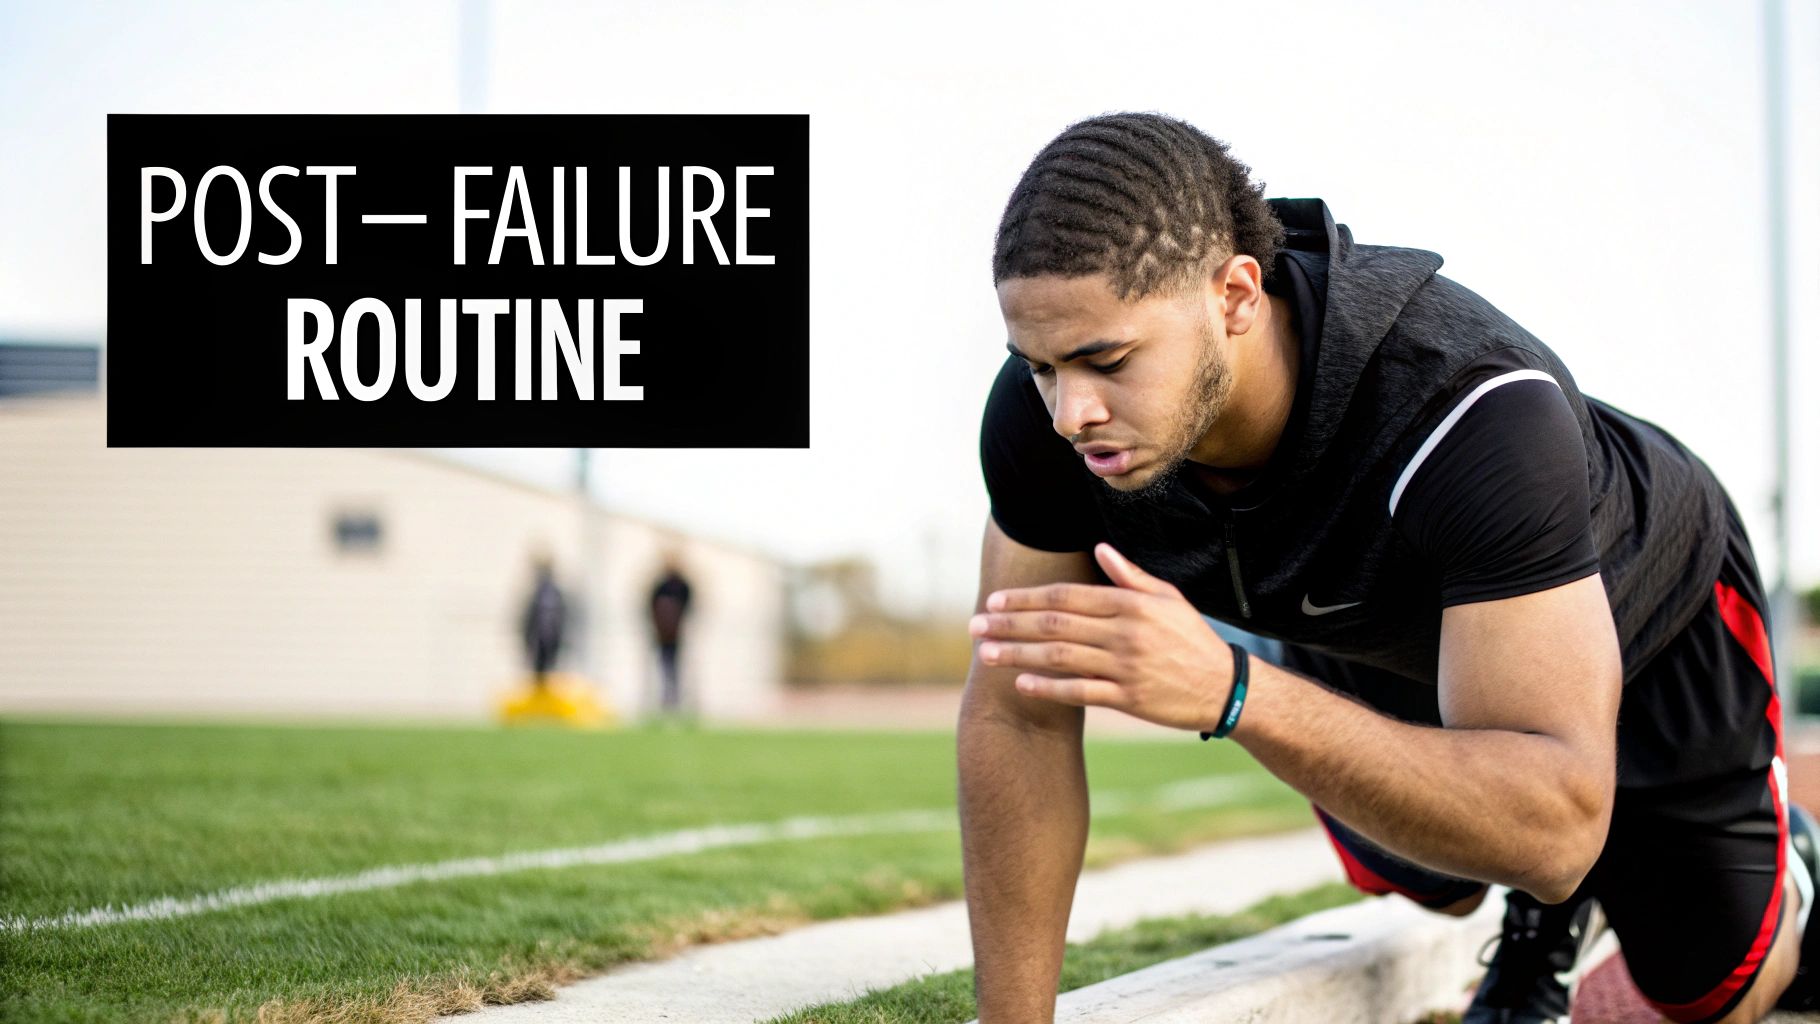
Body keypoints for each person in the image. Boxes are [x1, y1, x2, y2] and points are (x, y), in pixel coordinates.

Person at [962, 112, 1818, 1024]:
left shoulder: (1472, 412)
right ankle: (1540, 903)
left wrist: (1233, 689)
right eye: (1040, 367)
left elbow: (1556, 832)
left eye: (1107, 360)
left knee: (1707, 989)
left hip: (1650, 608)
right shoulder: (1047, 421)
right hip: (1378, 626)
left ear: (1236, 295)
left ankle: (1795, 872)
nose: (1070, 412)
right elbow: (1017, 714)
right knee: (1433, 871)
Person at [648, 557, 694, 714]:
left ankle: (678, 700)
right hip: (662, 635)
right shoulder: (661, 586)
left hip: (677, 635)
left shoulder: (682, 586)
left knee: (677, 668)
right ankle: (664, 700)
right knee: (663, 667)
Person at [521, 554, 568, 691]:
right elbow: (529, 619)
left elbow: (562, 617)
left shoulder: (555, 593)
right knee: (539, 667)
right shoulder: (538, 593)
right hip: (539, 639)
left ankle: (549, 691)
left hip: (552, 637)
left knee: (551, 667)